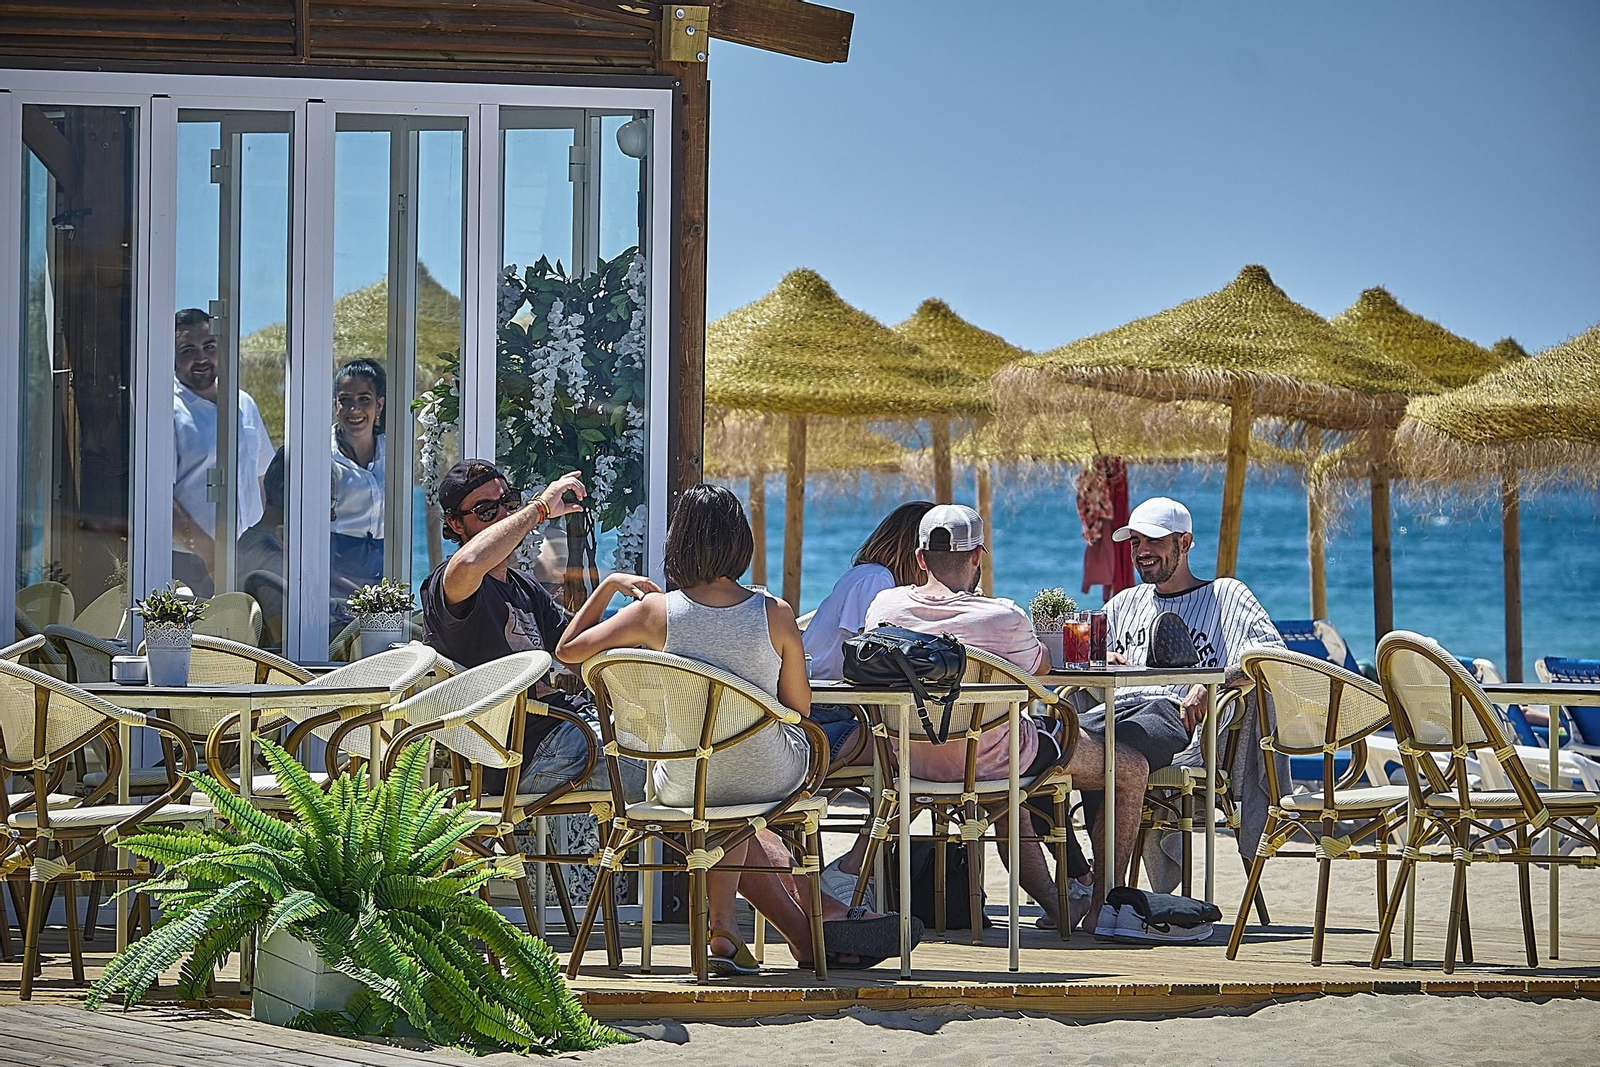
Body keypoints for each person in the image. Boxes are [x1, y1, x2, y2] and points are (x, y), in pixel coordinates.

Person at [555, 484, 914, 974]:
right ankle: (780, 924)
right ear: (741, 543)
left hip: (682, 776)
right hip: (768, 773)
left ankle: (730, 929)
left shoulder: (651, 614)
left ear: (677, 543)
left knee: (715, 783)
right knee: (739, 792)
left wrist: (608, 586)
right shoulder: (774, 612)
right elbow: (800, 707)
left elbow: (568, 650)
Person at [826, 504, 1134, 932]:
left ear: (919, 558)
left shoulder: (884, 608)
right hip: (993, 763)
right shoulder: (1003, 617)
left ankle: (1060, 906)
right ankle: (1106, 904)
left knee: (1009, 797)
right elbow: (1042, 668)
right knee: (1127, 767)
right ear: (976, 557)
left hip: (910, 763)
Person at [1087, 495, 1286, 901]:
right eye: (1135, 543)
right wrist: (1098, 660)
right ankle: (1086, 879)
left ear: (1185, 542)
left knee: (1086, 747)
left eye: (1154, 542)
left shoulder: (1226, 596)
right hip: (1120, 717)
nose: (1142, 552)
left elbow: (1271, 656)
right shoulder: (1125, 603)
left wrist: (1214, 681)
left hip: (1180, 726)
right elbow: (1082, 658)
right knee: (1064, 745)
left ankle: (1100, 890)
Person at [420, 459, 645, 804]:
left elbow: (577, 651)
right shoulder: (448, 585)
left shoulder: (522, 586)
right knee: (674, 773)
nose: (504, 516)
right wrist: (538, 509)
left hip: (570, 732)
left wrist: (613, 590)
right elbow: (467, 564)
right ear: (454, 523)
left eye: (508, 503)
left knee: (689, 753)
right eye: (485, 510)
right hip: (528, 755)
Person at [803, 500, 934, 763]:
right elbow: (873, 660)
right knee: (917, 749)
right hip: (825, 708)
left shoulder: (868, 575)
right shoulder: (875, 580)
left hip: (828, 702)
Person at [172, 308, 276, 595]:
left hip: (250, 558)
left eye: (209, 347)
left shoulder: (244, 403)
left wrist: (270, 543)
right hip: (190, 564)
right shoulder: (168, 410)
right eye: (188, 350)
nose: (202, 358)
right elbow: (160, 498)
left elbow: (261, 477)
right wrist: (211, 555)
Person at [330, 358, 387, 590]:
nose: (355, 409)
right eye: (345, 400)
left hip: (386, 568)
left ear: (379, 405)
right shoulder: (322, 457)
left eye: (364, 399)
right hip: (335, 572)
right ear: (336, 405)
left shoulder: (394, 452)